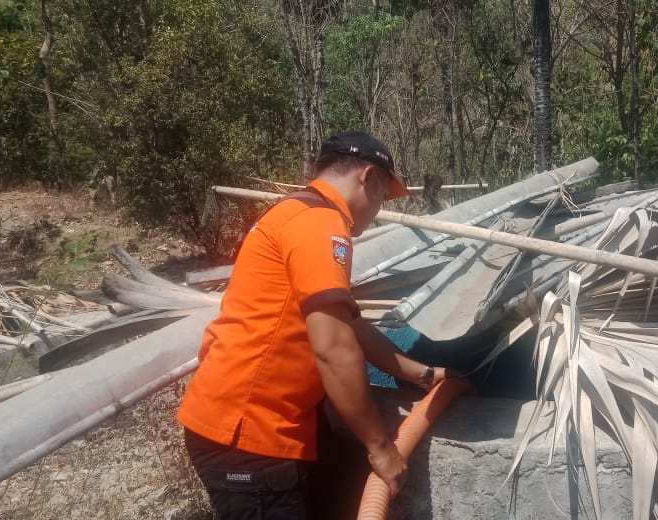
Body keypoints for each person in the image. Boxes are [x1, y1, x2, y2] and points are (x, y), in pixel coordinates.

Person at [177, 131, 455, 519]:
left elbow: (352, 326)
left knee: (340, 488)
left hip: (265, 420)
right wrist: (380, 447)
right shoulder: (320, 223)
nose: (379, 208)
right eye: (383, 195)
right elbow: (334, 347)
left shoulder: (293, 212)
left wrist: (425, 375)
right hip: (248, 434)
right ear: (367, 177)